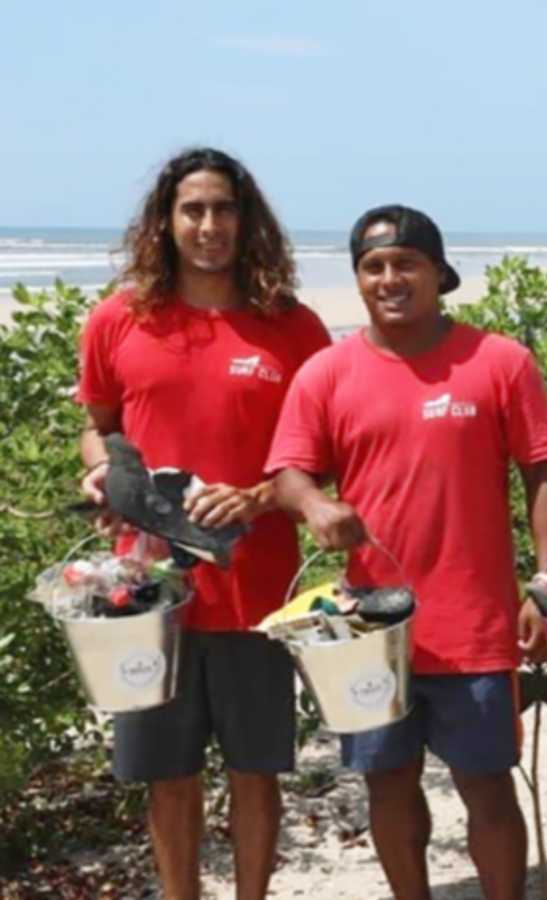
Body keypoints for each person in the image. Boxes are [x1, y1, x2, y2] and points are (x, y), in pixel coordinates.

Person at [266, 203, 547, 900]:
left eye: (406, 263)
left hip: (476, 625)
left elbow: (543, 472)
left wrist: (545, 585)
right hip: (370, 630)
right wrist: (315, 504)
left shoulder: (498, 361)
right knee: (388, 783)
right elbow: (289, 473)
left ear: (439, 273)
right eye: (373, 267)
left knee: (487, 787)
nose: (389, 278)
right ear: (358, 279)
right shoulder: (326, 372)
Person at [77, 146, 332, 900]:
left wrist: (256, 497)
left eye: (225, 209)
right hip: (146, 595)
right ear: (166, 221)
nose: (210, 225)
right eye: (193, 210)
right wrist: (99, 469)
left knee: (256, 773)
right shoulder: (120, 318)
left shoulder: (291, 327)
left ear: (247, 221)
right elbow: (98, 426)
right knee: (168, 776)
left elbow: (325, 459)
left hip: (258, 593)